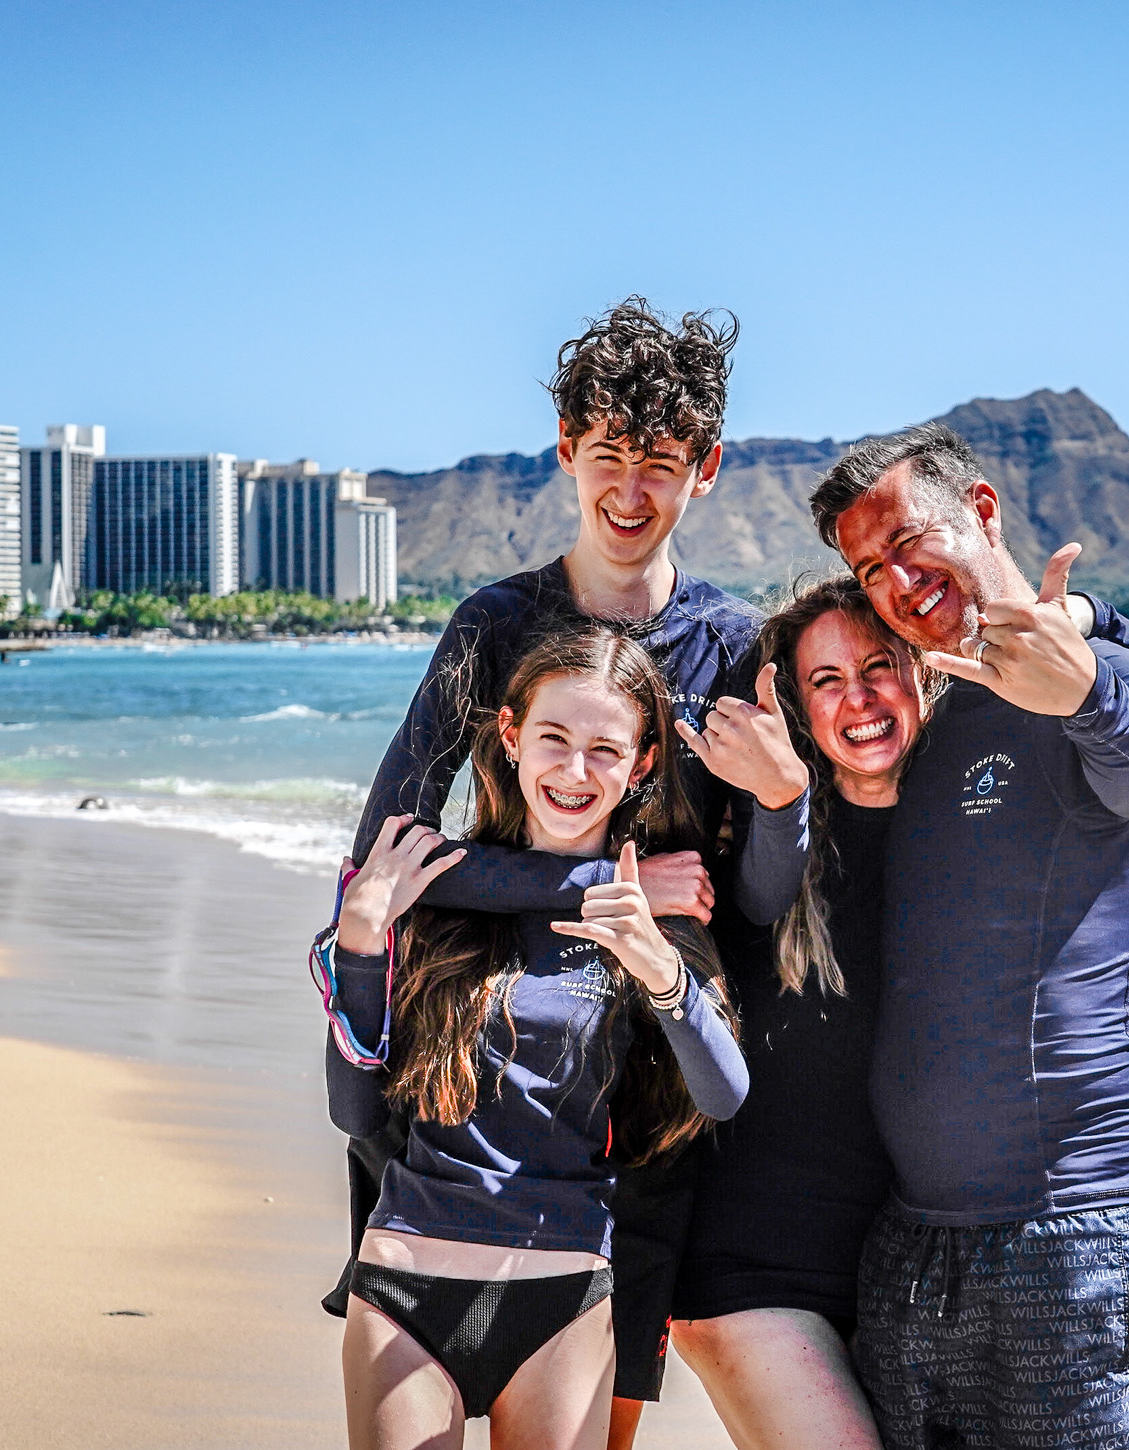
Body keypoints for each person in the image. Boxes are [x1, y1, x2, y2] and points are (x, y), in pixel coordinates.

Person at [337, 298, 812, 1443]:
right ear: (566, 453)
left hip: (637, 1106)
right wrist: (597, 893)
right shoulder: (493, 625)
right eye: (609, 456)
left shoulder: (734, 648)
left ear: (704, 468)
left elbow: (746, 903)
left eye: (661, 462)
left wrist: (787, 805)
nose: (632, 492)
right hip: (459, 1084)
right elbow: (382, 864)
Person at [808, 423, 1129, 1450]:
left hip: (1068, 1235)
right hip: (912, 1240)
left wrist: (1083, 678)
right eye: (870, 569)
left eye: (912, 542)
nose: (898, 582)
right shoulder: (921, 704)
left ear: (982, 510)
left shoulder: (1099, 672)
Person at [321, 626, 751, 1449]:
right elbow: (354, 1112)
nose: (575, 770)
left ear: (643, 764)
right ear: (512, 738)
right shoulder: (438, 900)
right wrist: (360, 951)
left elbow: (722, 1093)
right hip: (408, 1279)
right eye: (553, 738)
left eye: (605, 749)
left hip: (565, 1288)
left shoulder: (647, 914)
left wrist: (663, 973)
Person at [669, 577, 937, 1448]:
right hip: (748, 1267)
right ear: (794, 707)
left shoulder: (968, 837)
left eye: (878, 666)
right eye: (825, 681)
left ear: (922, 674)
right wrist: (780, 799)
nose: (857, 698)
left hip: (896, 1274)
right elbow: (753, 898)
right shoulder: (766, 838)